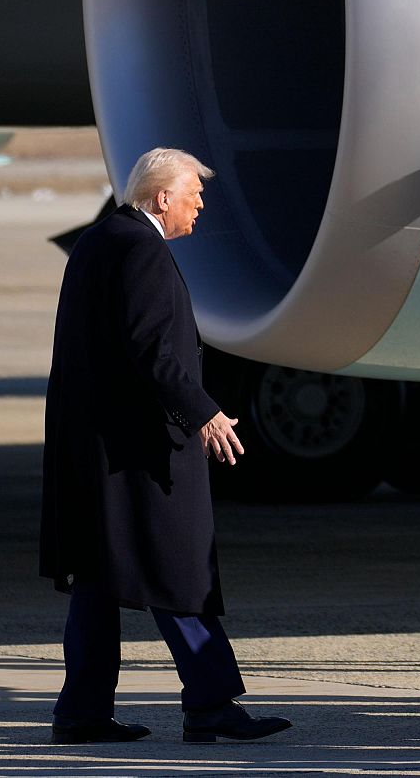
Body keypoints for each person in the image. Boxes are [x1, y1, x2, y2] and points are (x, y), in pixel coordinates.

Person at [39, 148, 291, 745]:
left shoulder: (102, 241)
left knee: (99, 578)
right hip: (140, 454)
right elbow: (154, 350)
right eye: (193, 195)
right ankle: (210, 705)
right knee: (179, 571)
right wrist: (203, 414)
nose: (200, 205)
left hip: (96, 455)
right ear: (161, 199)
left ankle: (82, 712)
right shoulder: (140, 250)